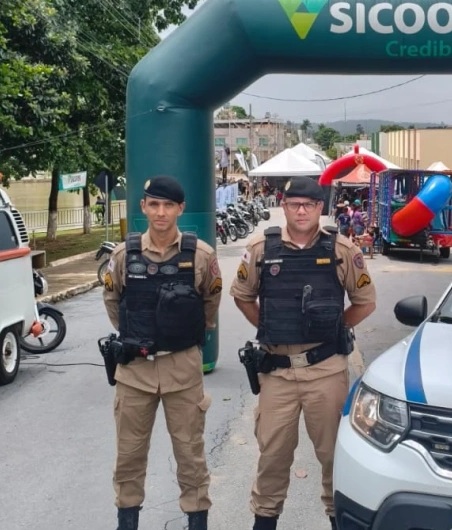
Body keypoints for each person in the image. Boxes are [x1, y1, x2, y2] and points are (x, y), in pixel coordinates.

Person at [230, 176, 377, 530]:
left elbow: (365, 302)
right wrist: (268, 327)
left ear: (320, 209)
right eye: (294, 204)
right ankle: (264, 521)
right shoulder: (260, 249)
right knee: (272, 457)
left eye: (308, 205)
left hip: (325, 372)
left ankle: (337, 519)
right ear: (284, 206)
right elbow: (242, 295)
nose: (301, 210)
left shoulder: (342, 250)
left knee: (333, 456)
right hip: (277, 373)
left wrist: (332, 328)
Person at [102, 175, 224, 530]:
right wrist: (139, 334)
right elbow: (113, 302)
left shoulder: (201, 255)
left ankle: (197, 521)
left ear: (180, 209)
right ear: (142, 206)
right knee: (129, 457)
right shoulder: (124, 255)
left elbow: (210, 301)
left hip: (182, 371)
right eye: (153, 204)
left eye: (168, 205)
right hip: (134, 373)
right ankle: (127, 522)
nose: (160, 212)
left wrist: (179, 334)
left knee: (190, 456)